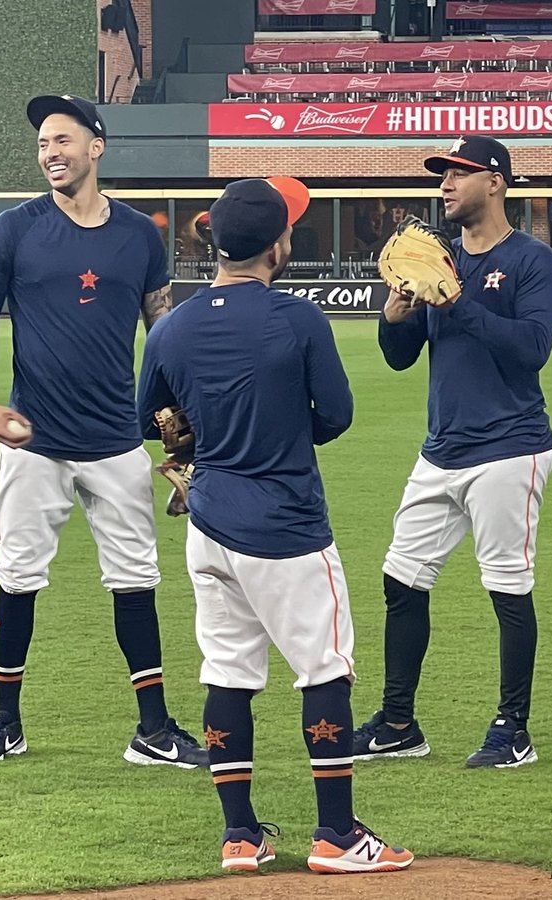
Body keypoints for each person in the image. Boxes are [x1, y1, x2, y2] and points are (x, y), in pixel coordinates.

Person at [137, 177, 413, 875]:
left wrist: (206, 438)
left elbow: (153, 420)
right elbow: (338, 415)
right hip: (287, 525)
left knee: (227, 671)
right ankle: (338, 835)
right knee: (324, 667)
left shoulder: (171, 326)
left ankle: (240, 837)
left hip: (209, 520)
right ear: (278, 244)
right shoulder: (298, 319)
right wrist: (286, 428)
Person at [0, 94, 207, 768]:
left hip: (117, 442)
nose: (51, 154)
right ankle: (5, 722)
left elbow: (162, 329)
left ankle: (153, 729)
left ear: (97, 147)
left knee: (135, 582)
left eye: (63, 140)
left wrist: (182, 411)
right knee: (17, 578)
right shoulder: (13, 228)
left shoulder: (137, 235)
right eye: (43, 143)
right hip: (33, 441)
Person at [352, 135, 552, 769]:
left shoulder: (532, 260)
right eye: (442, 175)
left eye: (458, 173)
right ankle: (397, 723)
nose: (444, 184)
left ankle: (512, 729)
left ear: (495, 182)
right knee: (401, 577)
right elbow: (399, 359)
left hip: (509, 447)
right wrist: (393, 315)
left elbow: (531, 350)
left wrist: (457, 301)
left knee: (507, 586)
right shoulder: (434, 260)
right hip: (441, 450)